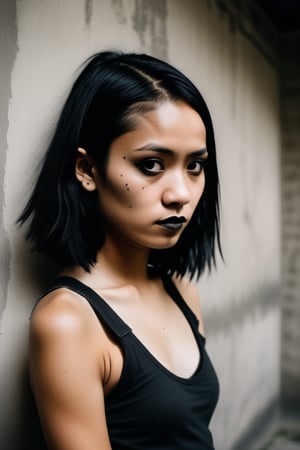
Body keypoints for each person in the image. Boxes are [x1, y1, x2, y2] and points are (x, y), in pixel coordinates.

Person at [19, 51, 222, 450]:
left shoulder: (182, 292)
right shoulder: (68, 322)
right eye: (151, 165)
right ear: (87, 170)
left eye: (194, 166)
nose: (180, 194)